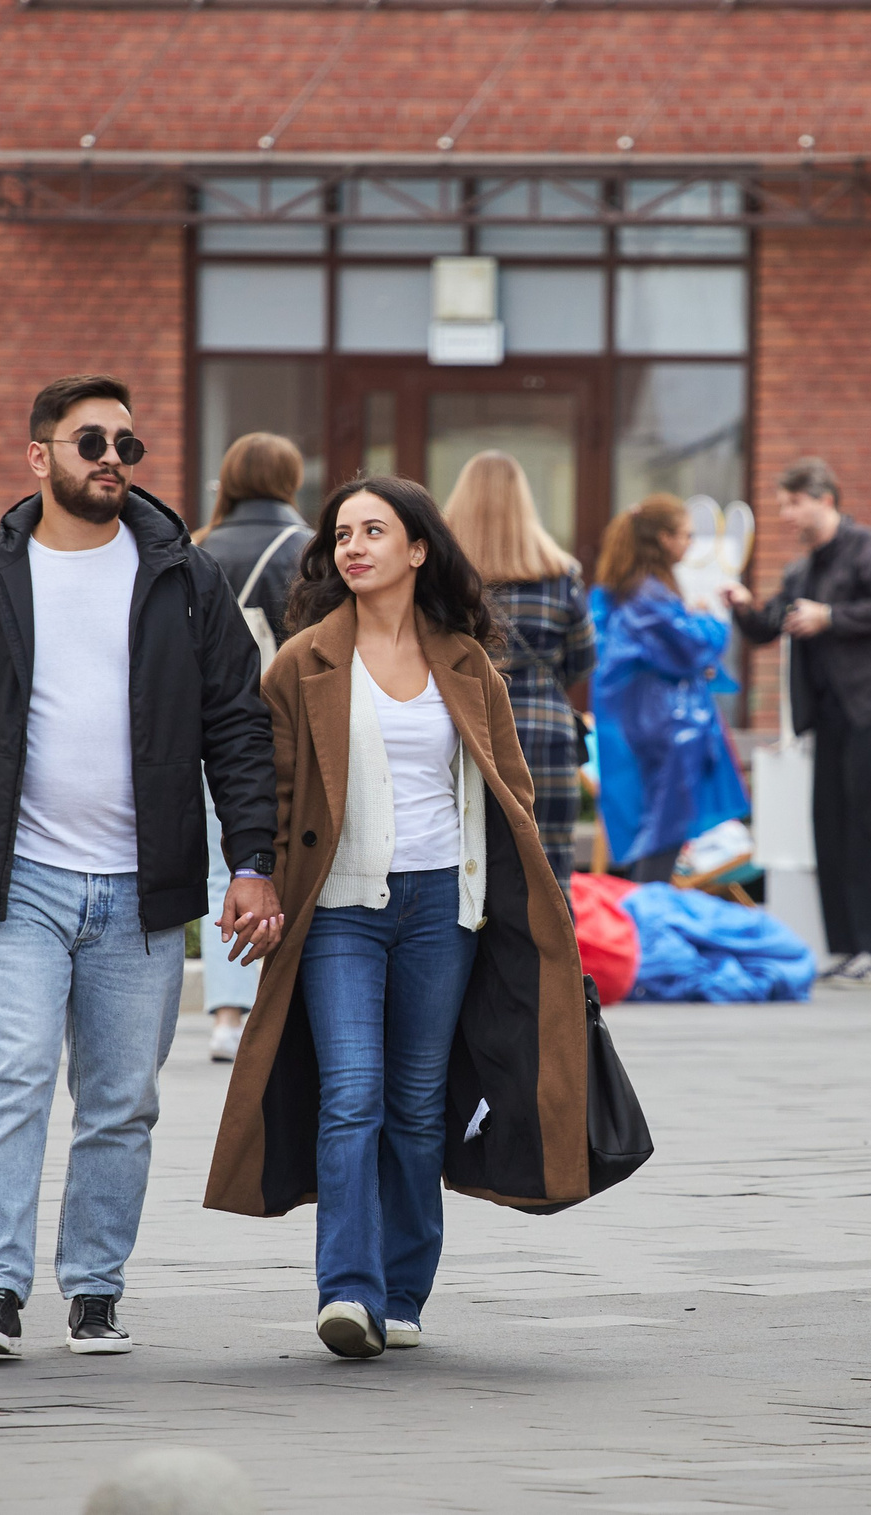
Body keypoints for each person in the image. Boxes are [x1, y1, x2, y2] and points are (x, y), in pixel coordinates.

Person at [0, 375, 282, 1361]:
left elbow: (237, 723)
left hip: (143, 888)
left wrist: (253, 860)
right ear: (40, 458)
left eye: (124, 443)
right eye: (88, 441)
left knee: (120, 1102)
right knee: (13, 1077)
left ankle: (95, 1290)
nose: (110, 456)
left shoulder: (182, 578)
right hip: (17, 878)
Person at [203, 475, 593, 1361]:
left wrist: (530, 902)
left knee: (418, 1106)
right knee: (352, 1094)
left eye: (374, 530)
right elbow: (271, 785)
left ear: (418, 549)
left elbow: (510, 792)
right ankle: (347, 1289)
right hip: (340, 906)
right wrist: (254, 871)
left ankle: (404, 1288)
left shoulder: (467, 661)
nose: (353, 546)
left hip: (441, 910)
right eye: (342, 533)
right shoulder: (302, 661)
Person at [724, 458, 871, 987]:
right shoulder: (803, 569)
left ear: (825, 499)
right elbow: (768, 627)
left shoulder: (870, 548)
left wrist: (832, 618)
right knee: (834, 832)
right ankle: (848, 948)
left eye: (793, 504)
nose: (787, 516)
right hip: (834, 720)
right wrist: (744, 608)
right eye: (782, 506)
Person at [192, 432, 313, 1062]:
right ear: (291, 479)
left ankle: (227, 1018)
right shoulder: (308, 550)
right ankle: (279, 1016)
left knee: (224, 873)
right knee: (280, 867)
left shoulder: (195, 548)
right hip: (279, 732)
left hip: (204, 733)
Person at [445, 450, 595, 888]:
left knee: (464, 865)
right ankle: (553, 959)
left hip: (463, 730)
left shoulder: (445, 577)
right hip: (543, 732)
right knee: (548, 870)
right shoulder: (560, 573)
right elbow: (583, 660)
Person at [592, 495, 748, 885]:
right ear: (663, 538)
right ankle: (647, 934)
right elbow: (689, 645)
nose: (690, 545)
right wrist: (712, 620)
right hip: (666, 730)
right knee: (660, 839)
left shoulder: (626, 590)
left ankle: (644, 930)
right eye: (685, 535)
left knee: (652, 835)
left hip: (645, 728)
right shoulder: (648, 595)